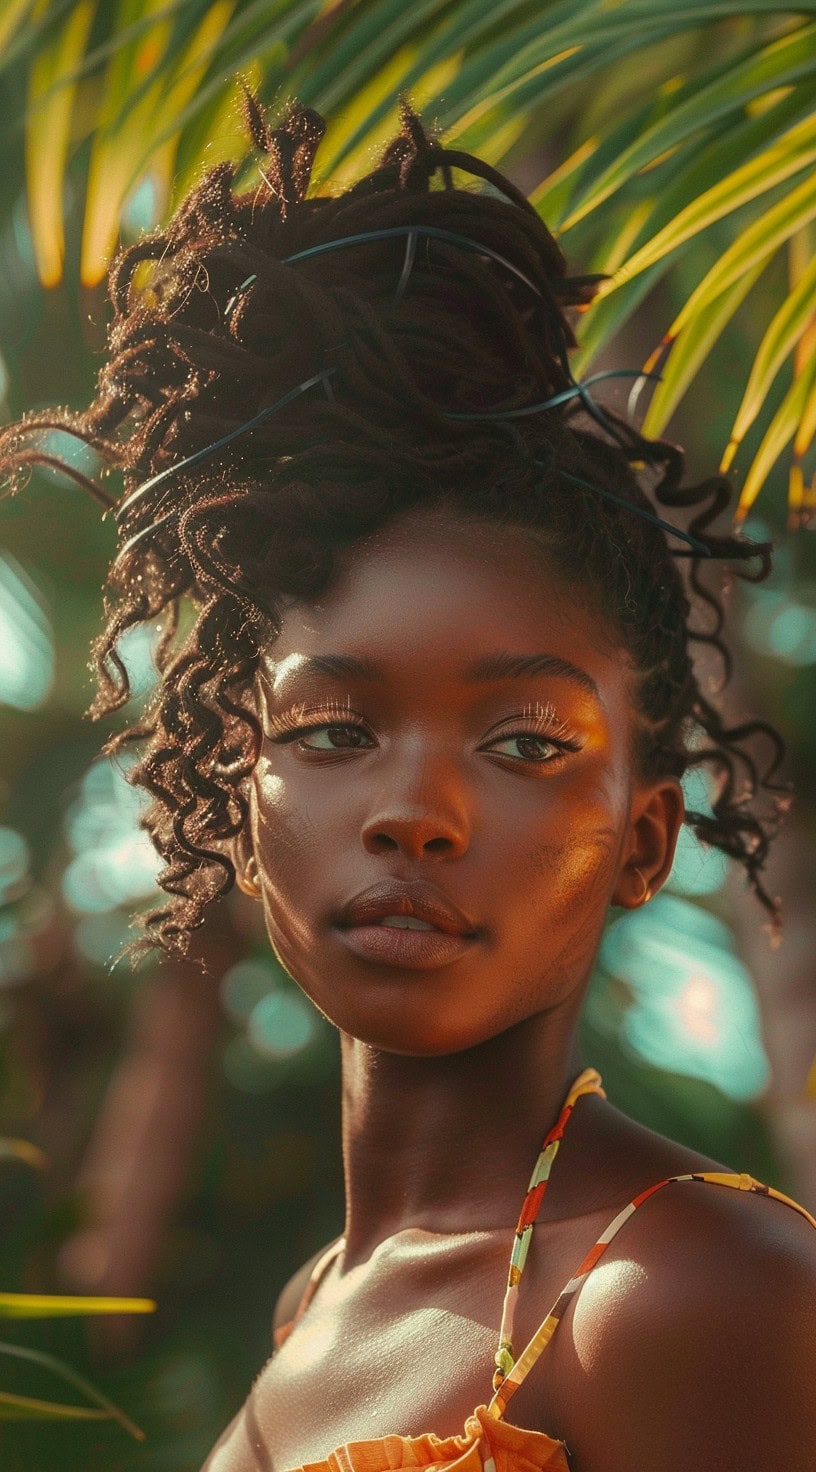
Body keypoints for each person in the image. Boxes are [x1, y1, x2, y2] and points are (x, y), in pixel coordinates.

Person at [3, 96, 815, 1472]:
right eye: (332, 729)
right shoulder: (314, 1304)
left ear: (644, 839)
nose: (414, 812)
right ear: (232, 787)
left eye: (524, 744)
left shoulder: (691, 1290)